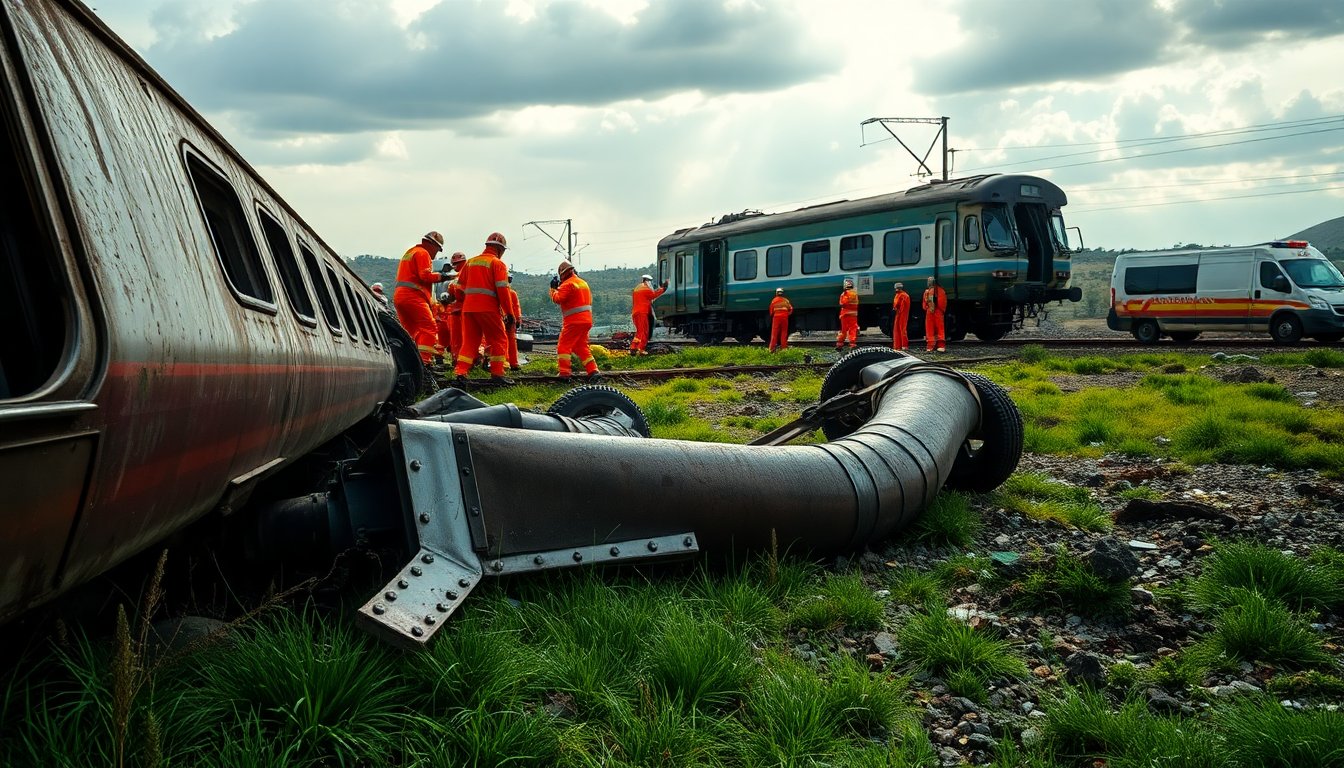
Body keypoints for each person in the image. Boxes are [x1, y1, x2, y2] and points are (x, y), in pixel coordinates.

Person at [453, 232, 514, 383]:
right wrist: (509, 313)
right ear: (500, 249)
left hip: (468, 309)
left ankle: (461, 372)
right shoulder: (497, 264)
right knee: (498, 339)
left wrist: (465, 301)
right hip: (488, 308)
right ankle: (497, 374)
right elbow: (503, 290)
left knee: (470, 342)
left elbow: (458, 289)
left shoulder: (470, 262)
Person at [393, 231, 448, 364]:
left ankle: (408, 363)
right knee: (429, 328)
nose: (436, 253)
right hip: (413, 296)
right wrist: (443, 276)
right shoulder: (423, 253)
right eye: (438, 249)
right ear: (432, 244)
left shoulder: (410, 252)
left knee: (411, 332)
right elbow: (425, 276)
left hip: (400, 296)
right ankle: (424, 363)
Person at [550, 259, 599, 380]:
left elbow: (557, 299)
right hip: (586, 321)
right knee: (581, 346)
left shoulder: (567, 284)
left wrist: (553, 289)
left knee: (563, 346)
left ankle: (564, 373)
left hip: (573, 321)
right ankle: (593, 371)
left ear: (563, 274)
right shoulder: (583, 283)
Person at [629, 274, 667, 355]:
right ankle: (641, 349)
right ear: (648, 281)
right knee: (644, 332)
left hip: (636, 313)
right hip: (642, 313)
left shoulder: (638, 287)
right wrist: (663, 289)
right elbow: (653, 295)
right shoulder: (645, 288)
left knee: (639, 332)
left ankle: (633, 348)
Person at [443, 252, 466, 363]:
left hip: (464, 309)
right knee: (457, 336)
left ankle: (461, 359)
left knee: (463, 336)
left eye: (456, 264)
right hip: (458, 310)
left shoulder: (466, 274)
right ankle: (458, 359)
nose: (455, 266)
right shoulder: (456, 277)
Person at [923, 275, 947, 353]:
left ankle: (931, 346)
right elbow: (943, 303)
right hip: (937, 311)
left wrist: (928, 308)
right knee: (939, 328)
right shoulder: (940, 290)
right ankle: (940, 345)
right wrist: (941, 310)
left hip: (930, 312)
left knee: (930, 328)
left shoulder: (927, 291)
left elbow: (924, 305)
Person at [504, 274, 523, 371]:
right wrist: (517, 319)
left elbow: (516, 307)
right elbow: (516, 307)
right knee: (508, 341)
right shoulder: (511, 293)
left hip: (506, 320)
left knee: (508, 341)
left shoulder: (511, 293)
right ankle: (511, 363)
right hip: (506, 320)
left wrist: (518, 320)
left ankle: (511, 363)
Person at [836, 278, 859, 349]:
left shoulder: (844, 294)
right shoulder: (855, 294)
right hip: (853, 315)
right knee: (853, 329)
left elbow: (842, 303)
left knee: (844, 330)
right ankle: (852, 344)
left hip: (845, 315)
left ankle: (840, 344)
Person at [768, 287, 792, 352]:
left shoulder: (774, 300)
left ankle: (772, 348)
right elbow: (791, 308)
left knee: (774, 333)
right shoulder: (786, 300)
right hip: (785, 317)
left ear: (776, 293)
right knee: (784, 332)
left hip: (776, 318)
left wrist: (773, 315)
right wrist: (787, 314)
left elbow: (771, 311)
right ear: (782, 293)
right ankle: (784, 348)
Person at [891, 282, 911, 351]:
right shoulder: (899, 295)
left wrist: (896, 309)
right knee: (898, 329)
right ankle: (898, 346)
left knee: (901, 329)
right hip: (899, 314)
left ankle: (903, 345)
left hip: (902, 314)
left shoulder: (903, 295)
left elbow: (902, 306)